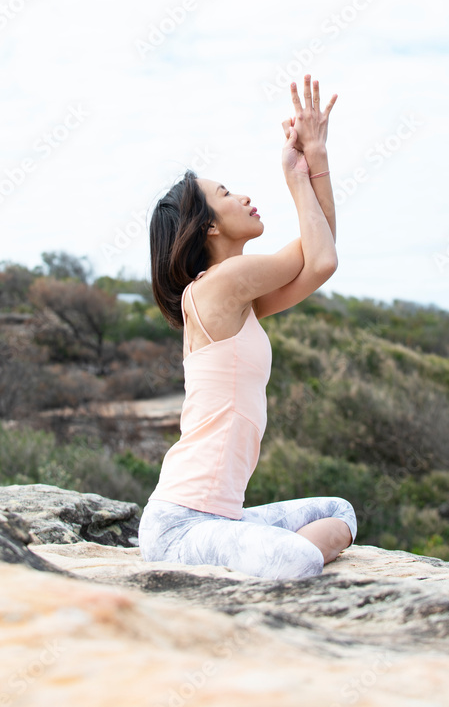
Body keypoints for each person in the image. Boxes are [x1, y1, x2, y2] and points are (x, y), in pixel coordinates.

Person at [137, 74, 357, 579]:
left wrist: (314, 157)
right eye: (226, 194)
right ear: (209, 226)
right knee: (299, 559)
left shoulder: (238, 298)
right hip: (182, 525)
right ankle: (274, 551)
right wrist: (296, 176)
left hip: (220, 518)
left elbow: (319, 253)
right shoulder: (220, 285)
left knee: (338, 511)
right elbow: (322, 257)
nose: (243, 197)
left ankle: (261, 548)